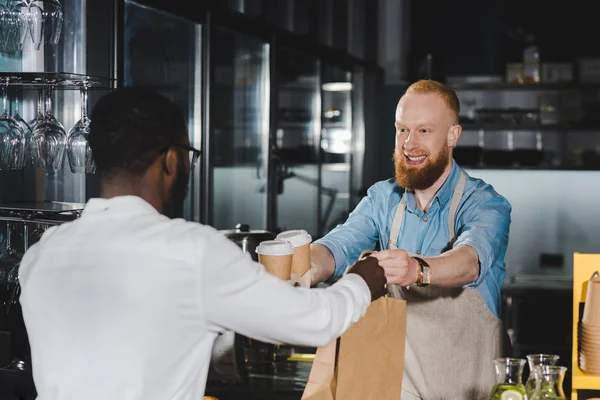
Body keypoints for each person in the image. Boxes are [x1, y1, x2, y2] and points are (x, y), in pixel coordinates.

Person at [18, 88, 387, 400]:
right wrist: (361, 281)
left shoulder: (41, 255)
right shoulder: (190, 252)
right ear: (171, 160)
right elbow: (317, 322)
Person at [310, 79, 512, 399]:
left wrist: (417, 269)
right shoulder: (382, 198)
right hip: (393, 385)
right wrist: (299, 266)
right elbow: (338, 246)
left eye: (424, 131)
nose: (409, 144)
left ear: (452, 135)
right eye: (402, 129)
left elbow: (470, 261)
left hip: (466, 389)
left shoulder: (485, 204)